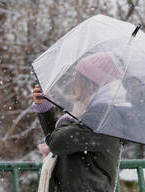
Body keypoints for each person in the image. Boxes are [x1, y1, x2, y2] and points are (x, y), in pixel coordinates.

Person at [32, 52, 123, 192]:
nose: (75, 84)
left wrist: (68, 119)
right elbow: (58, 140)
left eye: (79, 78)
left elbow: (58, 142)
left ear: (91, 83)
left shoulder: (102, 117)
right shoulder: (92, 113)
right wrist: (45, 109)